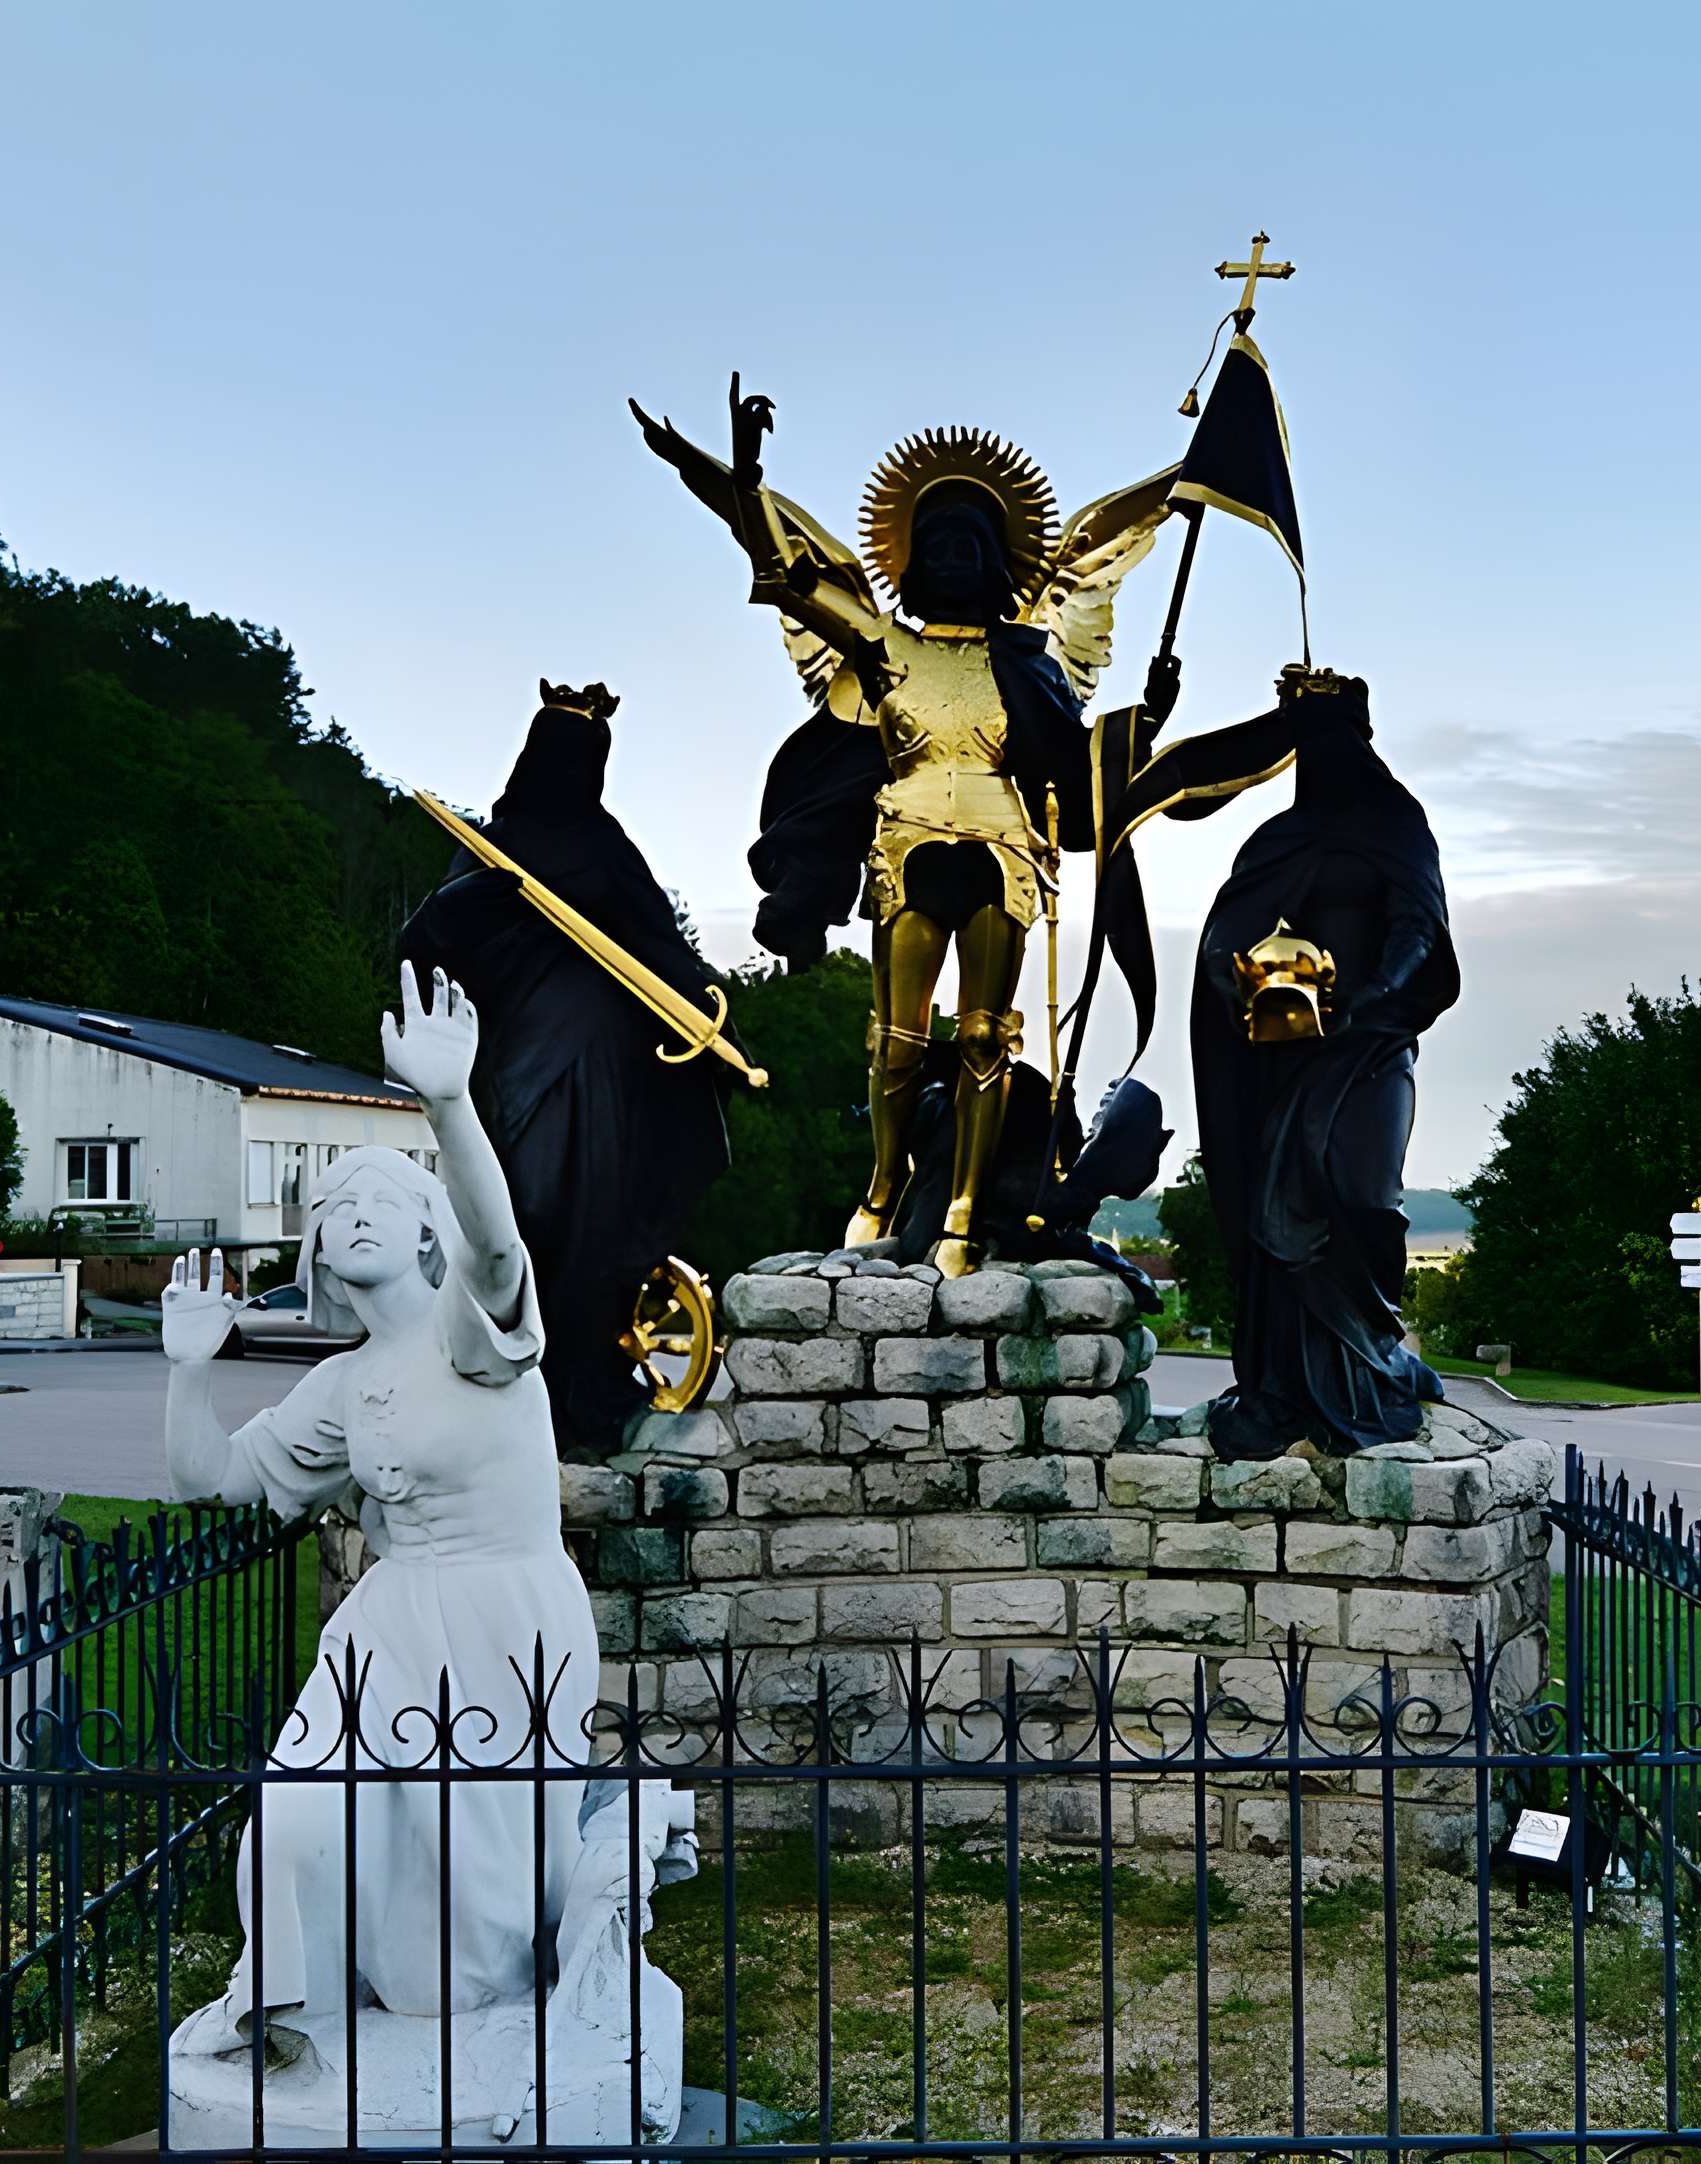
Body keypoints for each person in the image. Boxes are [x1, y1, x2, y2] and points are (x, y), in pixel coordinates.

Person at [633, 380, 1178, 1271]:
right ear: (914, 557)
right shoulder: (886, 646)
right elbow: (791, 575)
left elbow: (1074, 756)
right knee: (897, 1036)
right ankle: (884, 1189)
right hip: (907, 834)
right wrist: (735, 476)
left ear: (1001, 559)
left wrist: (1142, 721)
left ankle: (961, 1205)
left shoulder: (1030, 660)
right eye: (939, 542)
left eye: (974, 542)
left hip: (1005, 843)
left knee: (987, 1034)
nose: (957, 555)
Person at [158, 963, 594, 2063]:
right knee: (295, 1806)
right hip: (387, 1623)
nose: (349, 1217)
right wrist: (184, 1371)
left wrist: (447, 1103)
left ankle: (486, 2029)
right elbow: (212, 1480)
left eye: (378, 1203)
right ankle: (282, 1999)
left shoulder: (470, 1330)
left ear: (420, 1235)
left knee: (453, 1972)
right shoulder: (343, 1384)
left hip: (506, 1616)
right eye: (331, 1209)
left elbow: (498, 1249)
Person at [396, 682, 730, 1456]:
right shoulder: (489, 846)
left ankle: (592, 1394)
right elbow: (426, 944)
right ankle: (519, 1389)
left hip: (611, 1074)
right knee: (527, 1216)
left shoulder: (610, 851)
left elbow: (663, 952)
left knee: (600, 1226)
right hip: (519, 1069)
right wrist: (472, 904)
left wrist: (713, 1019)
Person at [1189, 672, 1461, 1458]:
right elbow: (1223, 940)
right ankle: (1284, 1386)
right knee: (1284, 1216)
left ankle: (1374, 1356)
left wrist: (1373, 995)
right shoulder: (1277, 839)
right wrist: (1244, 981)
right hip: (1288, 1058)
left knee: (1365, 1198)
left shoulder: (1398, 822)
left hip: (1372, 1046)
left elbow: (1420, 925)